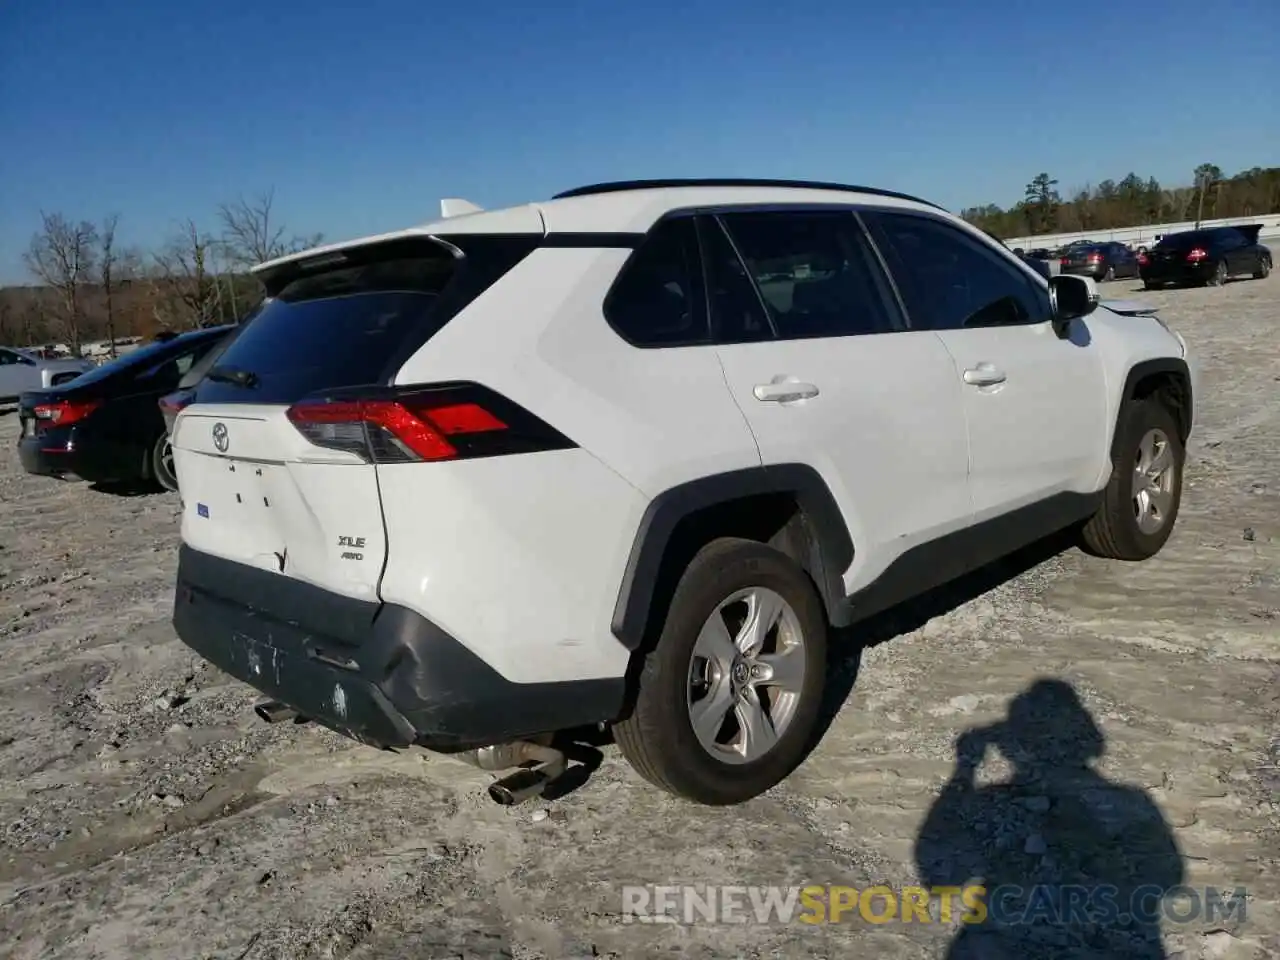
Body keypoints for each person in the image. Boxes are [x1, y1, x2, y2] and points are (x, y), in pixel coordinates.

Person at [915, 679, 1183, 959]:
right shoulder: (1131, 803)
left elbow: (937, 873)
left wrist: (965, 768)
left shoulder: (995, 803)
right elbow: (1169, 878)